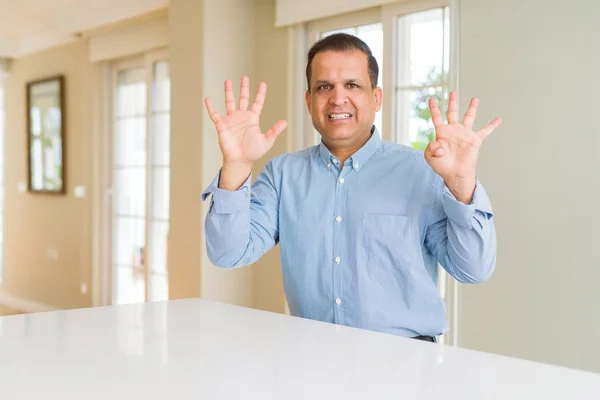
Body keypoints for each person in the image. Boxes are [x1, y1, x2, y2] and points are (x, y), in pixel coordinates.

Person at [201, 33, 502, 342]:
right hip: (312, 362)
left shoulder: (422, 172)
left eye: (353, 85)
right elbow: (228, 253)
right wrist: (236, 165)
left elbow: (473, 270)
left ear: (377, 98)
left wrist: (462, 183)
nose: (337, 98)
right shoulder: (282, 174)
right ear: (309, 101)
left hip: (406, 370)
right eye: (324, 87)